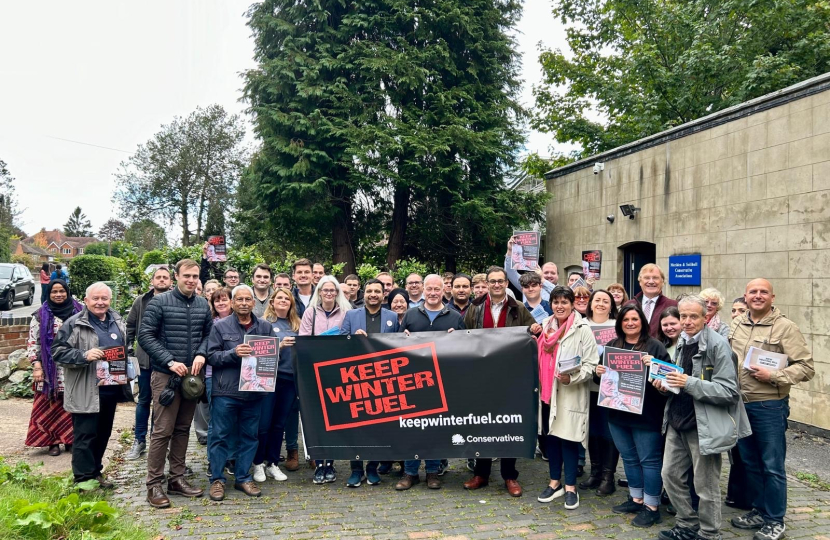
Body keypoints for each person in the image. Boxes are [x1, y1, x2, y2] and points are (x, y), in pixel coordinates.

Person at [656, 295, 750, 540]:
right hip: (677, 420)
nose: (687, 321)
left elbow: (730, 392)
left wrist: (688, 382)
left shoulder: (718, 345)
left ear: (705, 317)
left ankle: (709, 533)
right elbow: (678, 379)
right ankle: (686, 523)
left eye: (693, 316)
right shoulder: (680, 342)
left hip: (703, 424)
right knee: (670, 475)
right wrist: (664, 384)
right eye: (683, 316)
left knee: (705, 485)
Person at [729, 279, 814, 540]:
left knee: (772, 465)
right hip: (740, 404)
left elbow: (807, 368)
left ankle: (775, 520)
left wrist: (775, 375)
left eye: (763, 292)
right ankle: (759, 510)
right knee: (750, 463)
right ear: (745, 296)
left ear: (772, 297)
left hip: (769, 406)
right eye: (753, 292)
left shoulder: (786, 327)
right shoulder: (736, 323)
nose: (758, 295)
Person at [139, 259, 213, 508]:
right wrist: (169, 361)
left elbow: (207, 335)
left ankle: (176, 479)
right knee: (162, 431)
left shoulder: (203, 304)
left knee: (183, 429)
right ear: (176, 276)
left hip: (192, 378)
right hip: (166, 377)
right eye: (186, 276)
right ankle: (154, 484)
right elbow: (145, 336)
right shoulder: (159, 302)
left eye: (195, 276)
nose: (191, 280)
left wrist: (202, 354)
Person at [463, 266, 540, 498]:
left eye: (500, 281)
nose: (496, 285)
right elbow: (463, 336)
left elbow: (533, 332)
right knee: (481, 423)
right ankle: (481, 473)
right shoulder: (474, 307)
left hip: (510, 376)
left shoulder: (518, 308)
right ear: (486, 284)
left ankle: (509, 475)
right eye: (492, 281)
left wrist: (535, 329)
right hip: (480, 376)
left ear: (507, 283)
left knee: (509, 423)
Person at [53, 282, 135, 487]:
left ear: (110, 300)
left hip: (110, 389)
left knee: (103, 434)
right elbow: (57, 352)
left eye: (104, 298)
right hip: (85, 390)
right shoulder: (73, 324)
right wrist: (84, 355)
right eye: (96, 298)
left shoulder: (117, 320)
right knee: (85, 437)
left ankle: (96, 474)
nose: (100, 302)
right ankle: (83, 481)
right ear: (86, 300)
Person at [595, 304, 670, 527]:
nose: (630, 323)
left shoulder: (655, 347)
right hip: (617, 413)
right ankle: (636, 498)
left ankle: (652, 506)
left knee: (649, 460)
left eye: (634, 319)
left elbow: (668, 380)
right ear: (620, 323)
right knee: (628, 457)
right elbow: (602, 380)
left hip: (646, 415)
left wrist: (655, 365)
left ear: (642, 322)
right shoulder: (613, 345)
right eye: (626, 319)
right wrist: (597, 372)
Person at [396, 275, 465, 491]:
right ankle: (410, 472)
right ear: (423, 290)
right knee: (411, 426)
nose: (433, 292)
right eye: (429, 288)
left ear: (444, 290)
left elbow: (465, 350)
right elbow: (396, 346)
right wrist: (403, 339)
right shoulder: (410, 315)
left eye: (437, 288)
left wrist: (458, 338)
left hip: (442, 381)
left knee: (436, 426)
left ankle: (433, 471)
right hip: (413, 381)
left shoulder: (454, 317)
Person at [205, 285, 273, 501]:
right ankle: (217, 479)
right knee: (220, 436)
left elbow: (271, 359)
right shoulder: (220, 327)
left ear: (254, 302)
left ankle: (243, 477)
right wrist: (233, 353)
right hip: (226, 391)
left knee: (249, 436)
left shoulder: (265, 327)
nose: (244, 303)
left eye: (248, 299)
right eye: (239, 299)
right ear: (232, 303)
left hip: (254, 392)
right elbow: (212, 356)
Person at [536, 286, 599, 510]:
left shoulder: (582, 328)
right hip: (547, 392)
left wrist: (571, 379)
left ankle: (571, 487)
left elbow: (592, 364)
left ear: (572, 304)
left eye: (564, 302)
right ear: (550, 304)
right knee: (551, 439)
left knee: (569, 439)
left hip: (569, 393)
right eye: (556, 302)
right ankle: (555, 483)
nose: (560, 306)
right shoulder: (545, 326)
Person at [340, 279, 399, 487]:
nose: (373, 294)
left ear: (384, 295)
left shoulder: (392, 317)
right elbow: (340, 342)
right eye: (369, 291)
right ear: (363, 294)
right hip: (356, 378)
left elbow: (398, 345)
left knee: (379, 426)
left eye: (377, 291)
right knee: (355, 426)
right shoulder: (351, 315)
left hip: (383, 378)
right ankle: (356, 470)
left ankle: (372, 468)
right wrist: (352, 338)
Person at [299, 275, 349, 483]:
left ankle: (331, 464)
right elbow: (302, 340)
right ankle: (319, 464)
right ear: (319, 292)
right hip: (314, 371)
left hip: (337, 372)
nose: (329, 293)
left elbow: (349, 339)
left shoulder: (346, 313)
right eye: (325, 290)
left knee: (335, 420)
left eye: (332, 290)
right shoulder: (310, 312)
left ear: (337, 293)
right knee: (317, 420)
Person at [25, 279, 82, 456]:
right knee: (50, 405)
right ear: (48, 294)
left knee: (75, 404)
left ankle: (72, 440)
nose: (58, 295)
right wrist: (37, 366)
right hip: (52, 371)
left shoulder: (80, 311)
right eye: (54, 292)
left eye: (62, 291)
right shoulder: (40, 315)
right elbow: (33, 343)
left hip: (75, 367)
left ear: (68, 292)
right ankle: (53, 442)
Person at [124, 267, 173, 460]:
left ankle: (159, 442)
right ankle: (139, 440)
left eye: (165, 277)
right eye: (158, 277)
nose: (161, 280)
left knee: (163, 403)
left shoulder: (174, 301)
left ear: (171, 281)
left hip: (167, 360)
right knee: (144, 400)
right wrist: (128, 349)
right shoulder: (141, 301)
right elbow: (130, 325)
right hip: (145, 360)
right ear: (152, 281)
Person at [255, 288, 299, 477]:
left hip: (290, 379)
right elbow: (257, 352)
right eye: (279, 298)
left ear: (291, 303)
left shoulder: (297, 324)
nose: (283, 301)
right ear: (272, 302)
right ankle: (257, 462)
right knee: (264, 423)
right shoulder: (264, 323)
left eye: (286, 299)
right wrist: (279, 346)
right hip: (269, 379)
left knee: (279, 424)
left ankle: (272, 462)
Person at [579, 289, 619, 496]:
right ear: (591, 303)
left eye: (606, 301)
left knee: (608, 433)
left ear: (612, 305)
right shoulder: (582, 324)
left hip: (611, 390)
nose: (601, 304)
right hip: (588, 387)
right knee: (593, 432)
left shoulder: (617, 326)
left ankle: (608, 476)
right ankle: (594, 472)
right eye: (597, 300)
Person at [626, 264, 678, 338]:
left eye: (655, 278)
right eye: (647, 278)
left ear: (662, 282)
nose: (651, 281)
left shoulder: (673, 305)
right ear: (640, 282)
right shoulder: (628, 305)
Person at [504, 237, 557, 301]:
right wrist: (510, 251)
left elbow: (560, 293)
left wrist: (543, 280)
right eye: (546, 272)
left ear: (558, 275)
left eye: (553, 273)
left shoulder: (562, 289)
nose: (549, 275)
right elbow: (510, 273)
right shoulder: (528, 284)